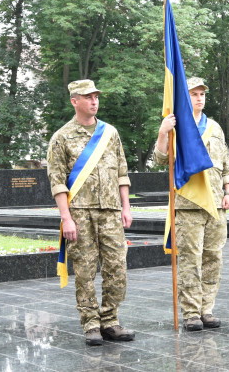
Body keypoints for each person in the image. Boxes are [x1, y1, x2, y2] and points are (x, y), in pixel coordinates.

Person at [46, 79, 135, 346]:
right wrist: (66, 218)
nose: (94, 101)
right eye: (88, 97)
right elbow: (57, 181)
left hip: (110, 212)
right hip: (80, 213)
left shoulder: (110, 133)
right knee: (85, 271)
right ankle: (91, 324)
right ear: (75, 101)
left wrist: (126, 206)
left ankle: (110, 320)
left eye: (96, 96)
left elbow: (122, 172)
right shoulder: (61, 137)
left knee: (117, 269)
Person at [154, 77, 229, 331]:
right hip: (188, 203)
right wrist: (163, 131)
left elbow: (224, 160)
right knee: (191, 259)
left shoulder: (214, 127)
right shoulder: (177, 125)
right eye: (193, 94)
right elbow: (160, 159)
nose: (199, 98)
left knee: (213, 258)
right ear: (183, 97)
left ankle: (206, 309)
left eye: (202, 94)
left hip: (215, 202)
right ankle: (191, 312)